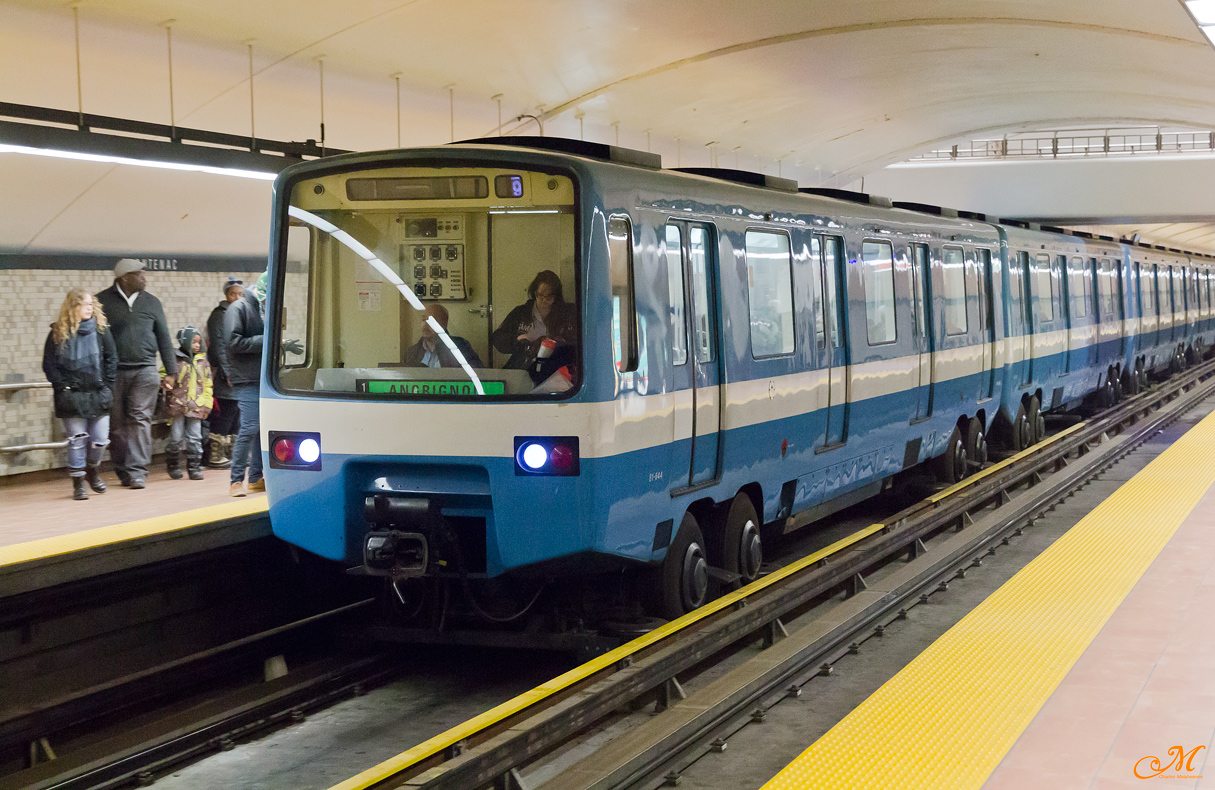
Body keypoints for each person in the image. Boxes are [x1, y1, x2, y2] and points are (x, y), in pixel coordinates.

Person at [95, 258, 178, 489]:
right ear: (124, 278)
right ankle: (122, 468)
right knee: (117, 425)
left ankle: (138, 471)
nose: (145, 278)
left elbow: (163, 337)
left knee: (141, 419)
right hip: (114, 373)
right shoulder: (101, 301)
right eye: (140, 274)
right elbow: (95, 339)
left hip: (145, 370)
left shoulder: (152, 303)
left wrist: (171, 371)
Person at [42, 289, 118, 500]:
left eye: (91, 305)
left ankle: (92, 470)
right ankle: (78, 483)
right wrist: (62, 387)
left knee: (101, 439)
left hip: (98, 392)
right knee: (77, 440)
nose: (89, 308)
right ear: (73, 307)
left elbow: (112, 359)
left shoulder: (102, 331)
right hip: (71, 395)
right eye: (85, 305)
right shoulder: (58, 333)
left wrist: (108, 386)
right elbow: (49, 364)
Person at [224, 271, 266, 497]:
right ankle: (235, 480)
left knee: (259, 428)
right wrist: (267, 340)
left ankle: (255, 478)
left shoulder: (259, 308)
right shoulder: (237, 308)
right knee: (249, 427)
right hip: (246, 378)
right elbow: (233, 342)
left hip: (259, 377)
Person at [490, 270, 579, 370]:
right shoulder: (521, 312)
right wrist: (517, 340)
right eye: (540, 295)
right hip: (523, 366)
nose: (544, 300)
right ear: (534, 293)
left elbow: (577, 344)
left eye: (549, 296)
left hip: (555, 369)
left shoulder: (568, 313)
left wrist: (557, 344)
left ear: (556, 296)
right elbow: (497, 338)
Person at [162, 327, 214, 481]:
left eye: (199, 343)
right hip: (177, 406)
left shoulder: (203, 362)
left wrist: (207, 405)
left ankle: (194, 467)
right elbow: (164, 374)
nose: (197, 346)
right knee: (176, 438)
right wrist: (165, 381)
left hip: (196, 406)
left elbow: (208, 385)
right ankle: (173, 465)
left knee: (195, 437)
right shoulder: (174, 359)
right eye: (194, 342)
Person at [205, 276, 243, 468]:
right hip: (224, 374)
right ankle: (215, 454)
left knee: (237, 414)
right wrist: (228, 373)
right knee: (225, 413)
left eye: (240, 294)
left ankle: (232, 453)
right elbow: (219, 347)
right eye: (233, 294)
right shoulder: (219, 315)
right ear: (226, 295)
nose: (236, 297)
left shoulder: (241, 314)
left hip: (239, 372)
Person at [404, 304, 483, 368]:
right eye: (424, 319)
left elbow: (476, 374)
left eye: (431, 320)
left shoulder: (460, 347)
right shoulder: (412, 352)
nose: (426, 324)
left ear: (444, 325)